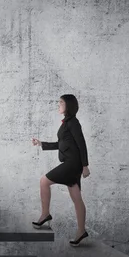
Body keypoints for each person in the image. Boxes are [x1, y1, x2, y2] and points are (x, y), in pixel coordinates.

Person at [31, 94, 90, 246]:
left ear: (68, 105)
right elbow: (61, 144)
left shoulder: (73, 123)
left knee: (44, 181)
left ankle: (45, 214)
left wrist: (85, 166)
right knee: (76, 198)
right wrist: (41, 143)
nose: (58, 105)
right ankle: (81, 231)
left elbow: (82, 144)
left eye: (61, 103)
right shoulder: (67, 123)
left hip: (72, 164)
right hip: (72, 164)